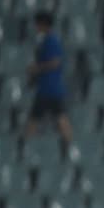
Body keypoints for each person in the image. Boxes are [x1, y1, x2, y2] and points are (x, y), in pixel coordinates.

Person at [24, 11, 73, 155]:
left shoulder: (51, 40)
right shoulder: (49, 40)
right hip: (52, 87)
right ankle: (69, 145)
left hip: (48, 88)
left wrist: (37, 68)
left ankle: (24, 148)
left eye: (38, 24)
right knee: (59, 116)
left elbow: (55, 62)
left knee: (36, 118)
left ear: (43, 24)